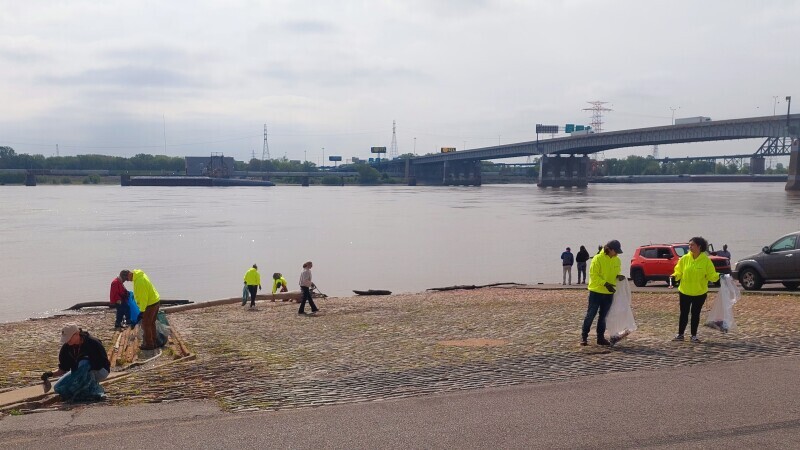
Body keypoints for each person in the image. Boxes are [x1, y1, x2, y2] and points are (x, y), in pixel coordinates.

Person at [41, 323, 110, 400]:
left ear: (77, 334)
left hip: (100, 371)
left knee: (84, 362)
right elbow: (63, 369)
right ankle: (81, 391)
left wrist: (79, 376)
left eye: (69, 338)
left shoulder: (93, 343)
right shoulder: (66, 348)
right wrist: (49, 374)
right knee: (58, 387)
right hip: (79, 372)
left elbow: (101, 364)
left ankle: (95, 391)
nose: (67, 341)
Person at [670, 237, 720, 343]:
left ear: (699, 246)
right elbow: (678, 272)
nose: (690, 247)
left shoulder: (706, 260)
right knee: (683, 313)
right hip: (684, 291)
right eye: (689, 245)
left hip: (699, 292)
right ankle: (680, 334)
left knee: (695, 314)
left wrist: (721, 277)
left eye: (692, 245)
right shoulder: (684, 259)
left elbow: (712, 275)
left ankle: (693, 335)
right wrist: (674, 277)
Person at [581, 240, 625, 346]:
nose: (617, 253)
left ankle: (600, 338)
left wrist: (618, 277)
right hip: (596, 292)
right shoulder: (597, 259)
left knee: (604, 316)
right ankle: (584, 337)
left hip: (609, 292)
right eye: (615, 251)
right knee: (591, 315)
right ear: (609, 249)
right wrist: (605, 284)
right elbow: (594, 276)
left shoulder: (617, 260)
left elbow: (616, 273)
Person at [121, 269, 161, 350]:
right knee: (151, 323)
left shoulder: (139, 282)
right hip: (155, 300)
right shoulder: (139, 275)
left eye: (127, 279)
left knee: (146, 325)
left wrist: (142, 311)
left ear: (129, 274)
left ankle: (149, 344)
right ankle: (154, 341)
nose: (128, 281)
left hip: (150, 304)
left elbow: (143, 298)